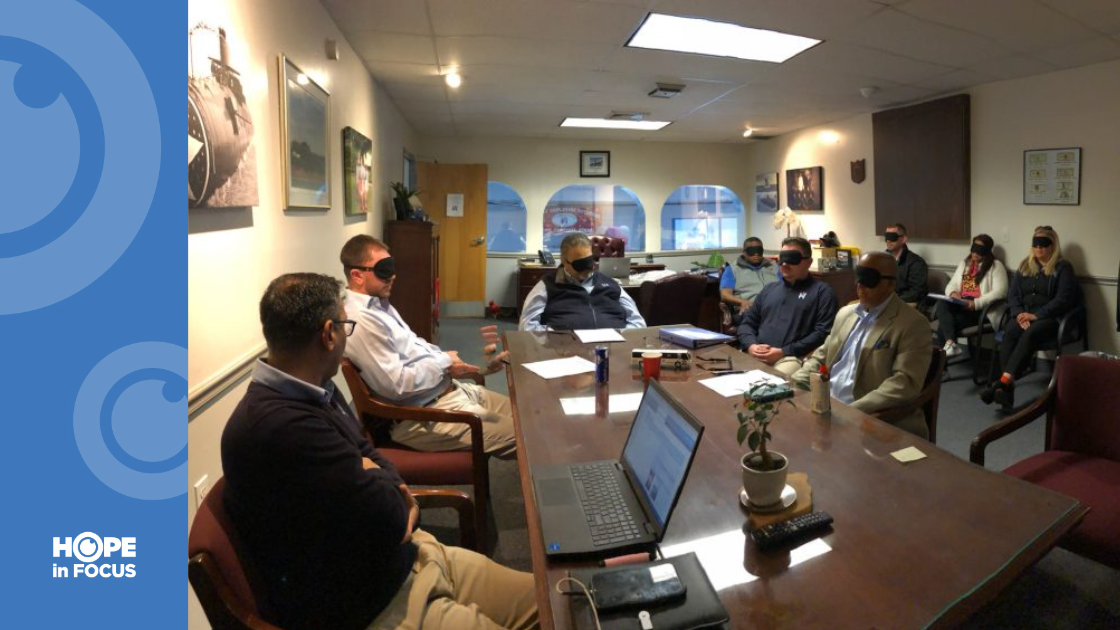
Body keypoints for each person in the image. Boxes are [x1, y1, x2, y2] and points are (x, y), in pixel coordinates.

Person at [221, 273, 538, 630]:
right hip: (377, 602)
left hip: (414, 555)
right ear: (328, 334)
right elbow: (388, 514)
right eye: (345, 326)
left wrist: (376, 472)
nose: (345, 336)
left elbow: (364, 448)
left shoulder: (312, 389)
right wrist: (380, 478)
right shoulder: (281, 427)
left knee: (558, 599)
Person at [341, 235, 517, 458]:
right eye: (383, 270)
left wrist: (456, 363)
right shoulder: (362, 320)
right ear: (357, 275)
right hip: (423, 417)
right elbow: (396, 385)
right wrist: (444, 362)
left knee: (527, 415)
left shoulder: (379, 305)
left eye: (392, 268)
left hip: (449, 393)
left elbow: (414, 346)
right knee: (529, 437)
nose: (393, 276)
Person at [793, 252, 933, 439]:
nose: (860, 285)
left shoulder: (912, 324)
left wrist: (850, 411)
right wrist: (792, 383)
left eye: (869, 280)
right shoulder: (845, 313)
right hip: (825, 405)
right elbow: (822, 356)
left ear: (890, 284)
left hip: (871, 419)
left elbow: (904, 383)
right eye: (858, 278)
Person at [980, 226, 1077, 412]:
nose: (1039, 248)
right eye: (1036, 244)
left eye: (1044, 244)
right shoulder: (1025, 265)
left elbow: (1063, 299)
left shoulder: (1063, 268)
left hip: (1049, 318)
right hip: (1024, 316)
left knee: (1031, 332)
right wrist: (1018, 315)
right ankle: (1006, 388)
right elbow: (1013, 295)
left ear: (1053, 245)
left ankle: (1002, 384)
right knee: (1010, 330)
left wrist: (1037, 315)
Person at [737, 237, 838, 376]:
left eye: (793, 259)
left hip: (790, 358)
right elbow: (747, 323)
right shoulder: (769, 289)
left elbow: (822, 334)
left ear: (808, 262)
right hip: (756, 353)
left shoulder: (822, 292)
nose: (785, 264)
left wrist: (783, 351)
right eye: (782, 259)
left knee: (767, 385)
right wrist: (751, 345)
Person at [519, 232, 646, 331]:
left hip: (613, 347)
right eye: (579, 266)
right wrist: (555, 339)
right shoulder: (547, 285)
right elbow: (526, 327)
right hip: (566, 352)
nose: (585, 272)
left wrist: (621, 336)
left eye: (588, 263)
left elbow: (638, 323)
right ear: (564, 261)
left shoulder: (610, 284)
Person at [934, 234, 1008, 357]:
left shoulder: (995, 266)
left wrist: (976, 303)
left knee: (944, 326)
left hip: (981, 310)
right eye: (973, 249)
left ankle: (942, 368)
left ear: (987, 251)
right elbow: (952, 284)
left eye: (979, 250)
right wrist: (953, 293)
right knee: (942, 302)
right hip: (962, 304)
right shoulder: (966, 264)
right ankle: (950, 344)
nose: (975, 253)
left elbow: (1000, 291)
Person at [720, 236, 779, 316]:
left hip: (776, 306)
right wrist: (742, 302)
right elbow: (725, 295)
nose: (756, 254)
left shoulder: (773, 266)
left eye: (759, 250)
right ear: (744, 252)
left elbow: (786, 287)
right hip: (749, 308)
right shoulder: (732, 269)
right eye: (751, 251)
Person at [884, 223, 928, 304]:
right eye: (886, 237)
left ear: (903, 239)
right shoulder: (881, 259)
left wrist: (892, 301)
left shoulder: (917, 263)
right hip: (883, 302)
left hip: (905, 303)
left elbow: (916, 292)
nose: (888, 240)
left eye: (892, 237)